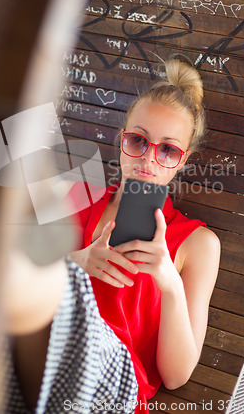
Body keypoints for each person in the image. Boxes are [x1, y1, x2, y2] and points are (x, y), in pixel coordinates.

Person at [68, 59, 221, 412]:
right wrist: (75, 261)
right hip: (42, 353)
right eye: (138, 141)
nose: (148, 160)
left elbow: (176, 376)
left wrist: (168, 282)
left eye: (167, 150)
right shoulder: (75, 196)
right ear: (122, 139)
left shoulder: (197, 245)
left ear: (183, 161)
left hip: (111, 387)